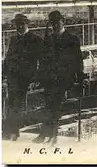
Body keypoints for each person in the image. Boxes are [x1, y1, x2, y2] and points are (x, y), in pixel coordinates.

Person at [33, 10, 86, 145]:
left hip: (64, 78)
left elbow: (78, 60)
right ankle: (45, 134)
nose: (55, 25)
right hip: (49, 78)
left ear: (63, 22)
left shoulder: (72, 39)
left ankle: (52, 136)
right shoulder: (48, 39)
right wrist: (39, 77)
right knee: (48, 106)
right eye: (53, 23)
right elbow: (43, 60)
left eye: (57, 22)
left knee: (55, 106)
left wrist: (80, 78)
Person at [2, 14, 43, 141]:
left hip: (26, 77)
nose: (19, 26)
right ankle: (9, 131)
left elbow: (41, 60)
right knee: (11, 103)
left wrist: (37, 77)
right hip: (12, 77)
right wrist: (3, 73)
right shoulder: (14, 39)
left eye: (21, 24)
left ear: (27, 24)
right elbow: (8, 58)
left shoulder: (35, 39)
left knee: (17, 104)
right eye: (17, 24)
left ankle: (13, 131)